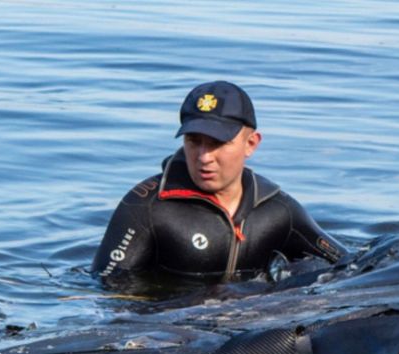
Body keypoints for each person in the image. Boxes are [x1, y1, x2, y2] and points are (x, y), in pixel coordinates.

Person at [92, 81, 347, 283]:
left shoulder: (278, 211)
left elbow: (350, 265)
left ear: (251, 144)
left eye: (217, 144)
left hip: (251, 326)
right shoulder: (146, 206)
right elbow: (107, 288)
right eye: (194, 141)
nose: (204, 157)